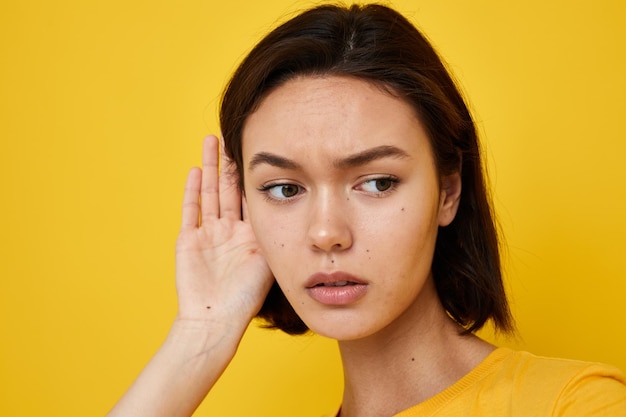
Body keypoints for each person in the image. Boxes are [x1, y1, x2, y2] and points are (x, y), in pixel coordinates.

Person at [107, 4, 626, 416]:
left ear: (448, 193)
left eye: (377, 182)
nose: (327, 233)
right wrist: (199, 336)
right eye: (285, 189)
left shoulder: (574, 405)